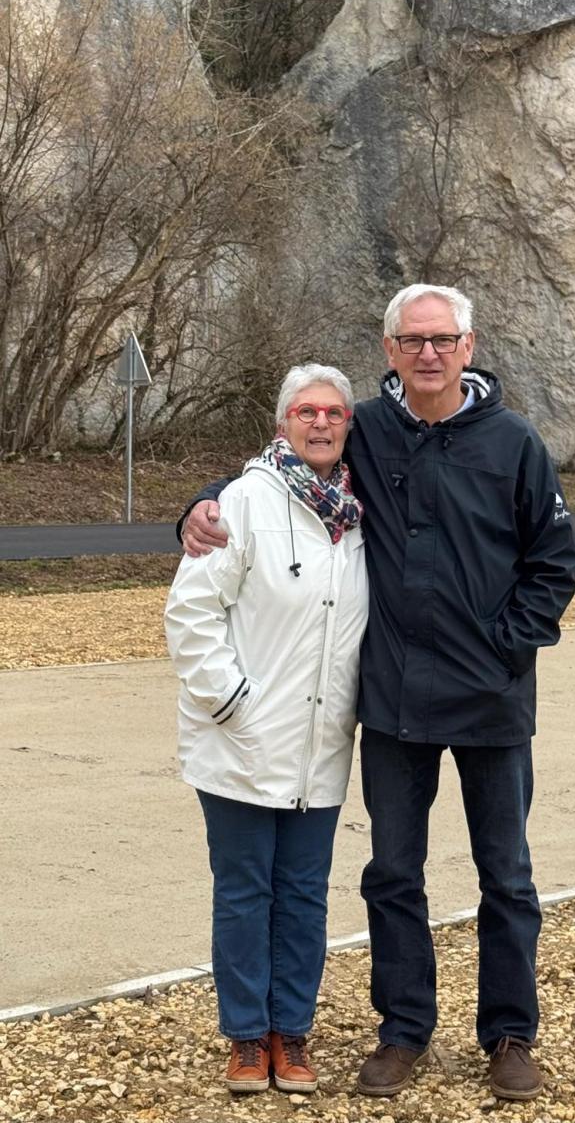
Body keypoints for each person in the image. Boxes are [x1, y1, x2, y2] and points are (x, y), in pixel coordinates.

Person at [177, 285, 575, 1102]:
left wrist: (507, 645)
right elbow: (281, 463)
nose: (427, 353)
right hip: (395, 702)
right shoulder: (369, 427)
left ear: (469, 346)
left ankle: (509, 1034)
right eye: (411, 340)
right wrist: (199, 505)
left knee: (506, 873)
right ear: (389, 349)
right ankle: (403, 1030)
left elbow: (554, 562)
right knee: (394, 873)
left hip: (493, 700)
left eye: (442, 339)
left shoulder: (514, 443)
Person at [164, 364, 368, 1096]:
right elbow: (191, 615)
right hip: (242, 741)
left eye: (334, 413)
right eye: (306, 411)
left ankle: (294, 1029)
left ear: (349, 426)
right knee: (246, 891)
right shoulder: (242, 503)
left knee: (306, 893)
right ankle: (248, 1037)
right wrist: (233, 704)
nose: (320, 424)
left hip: (321, 746)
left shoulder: (357, 516)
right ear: (282, 424)